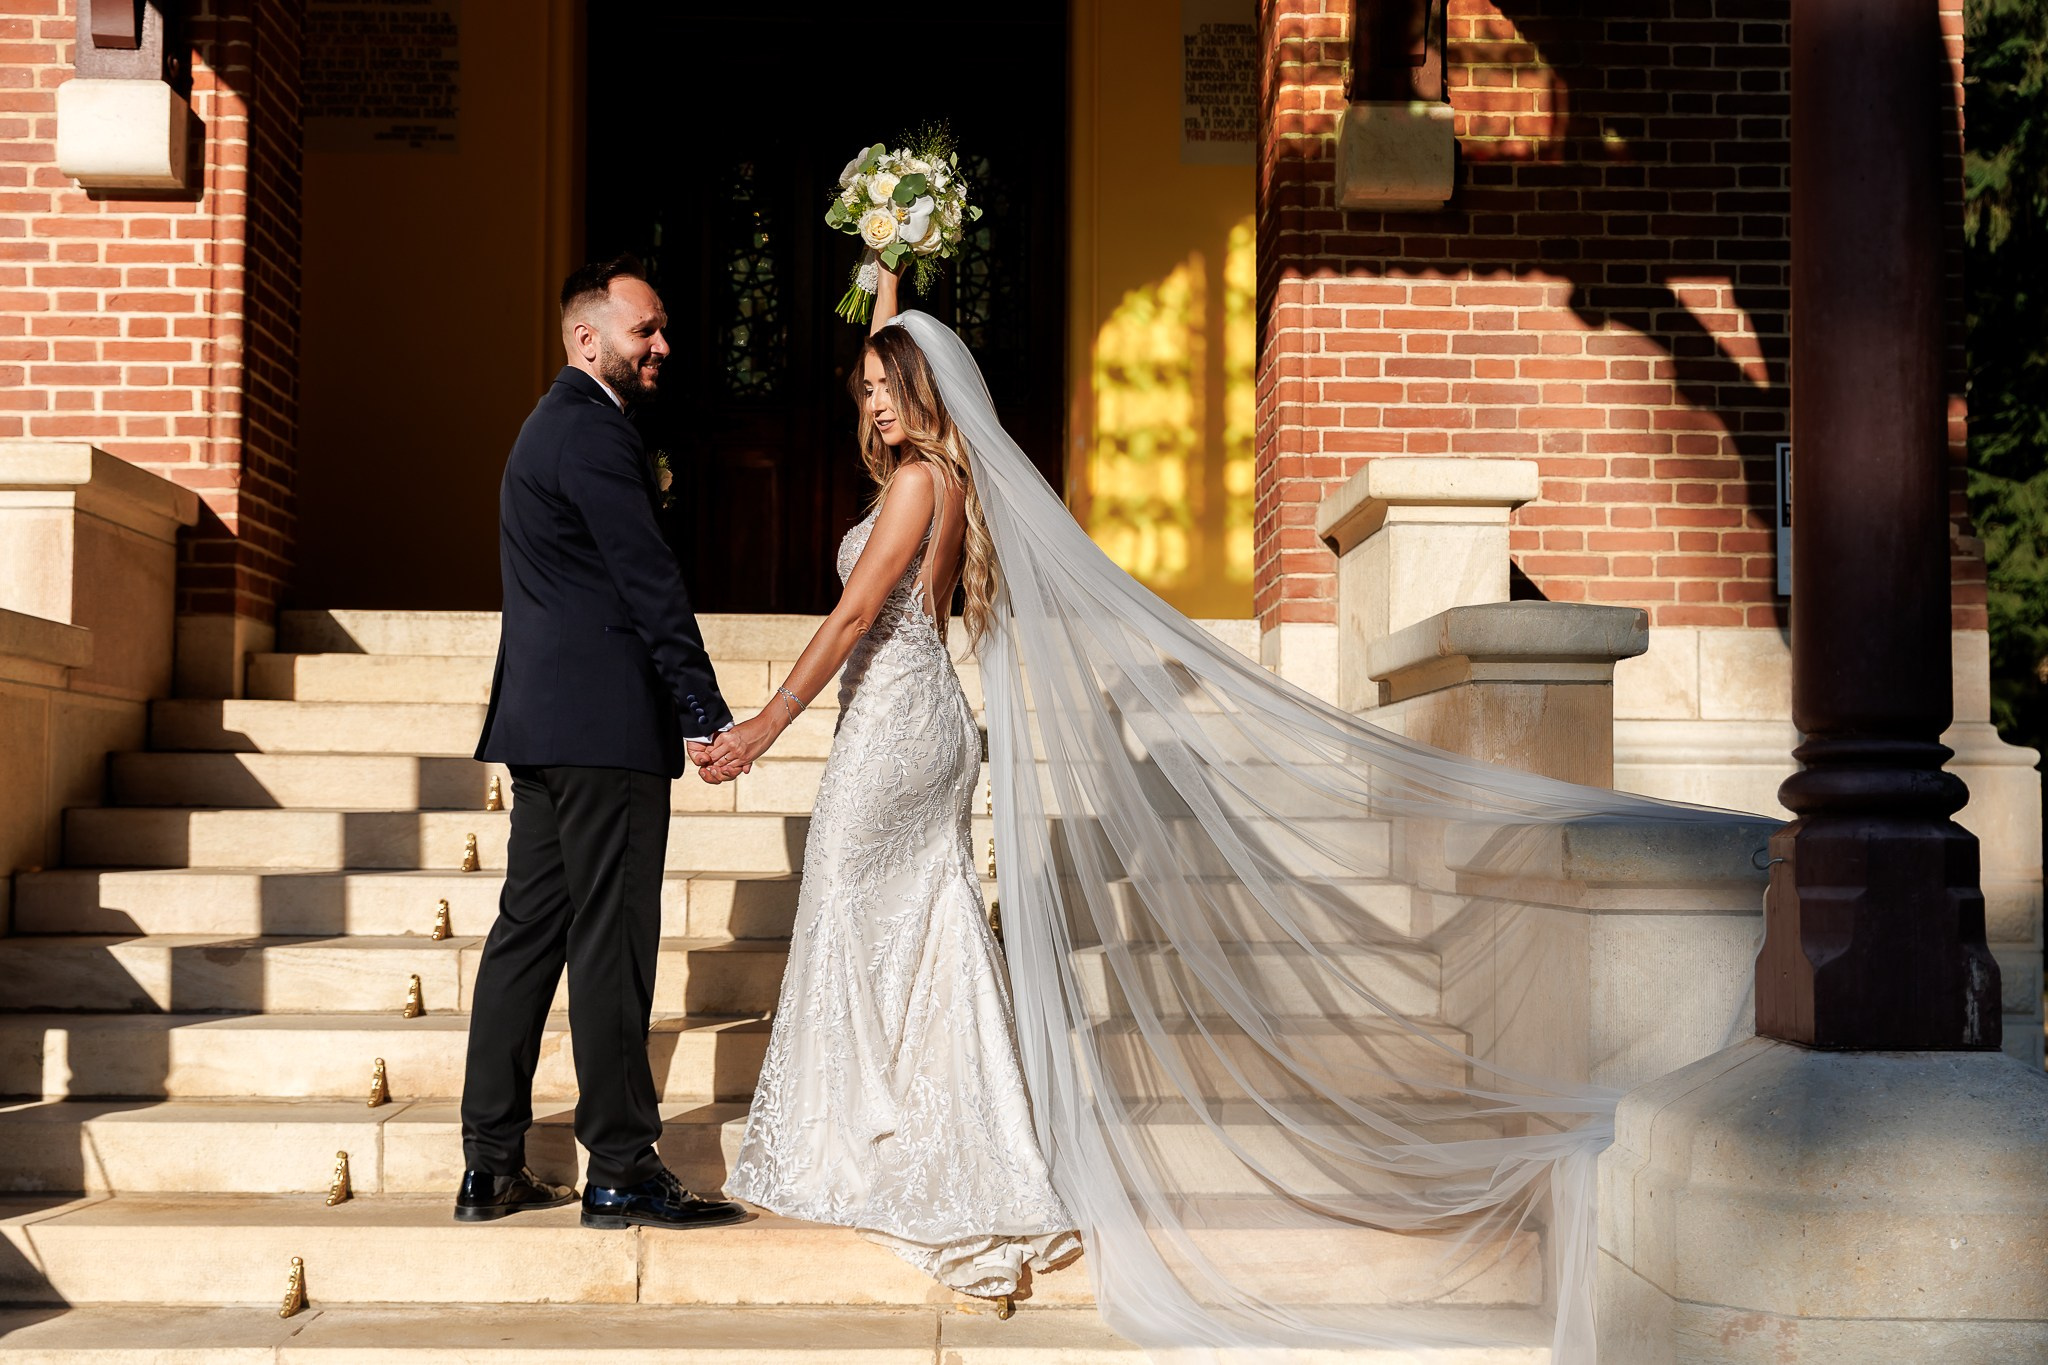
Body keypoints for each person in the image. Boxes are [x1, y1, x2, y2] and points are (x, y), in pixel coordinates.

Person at [714, 265, 1080, 1303]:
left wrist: (763, 725)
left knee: (840, 908)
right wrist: (885, 284)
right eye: (860, 387)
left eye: (884, 384)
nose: (868, 399)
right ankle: (953, 1129)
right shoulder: (942, 477)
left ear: (924, 392)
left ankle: (864, 1136)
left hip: (889, 724)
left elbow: (851, 619)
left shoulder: (918, 482)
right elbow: (900, 356)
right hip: (931, 721)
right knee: (922, 922)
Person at [456, 254, 747, 1233]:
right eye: (644, 330)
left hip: (543, 728)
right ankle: (620, 1166)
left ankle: (490, 1165)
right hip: (602, 734)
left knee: (526, 937)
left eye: (660, 330)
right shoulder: (588, 432)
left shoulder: (552, 428)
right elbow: (646, 580)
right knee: (609, 949)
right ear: (589, 339)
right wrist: (704, 713)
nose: (661, 345)